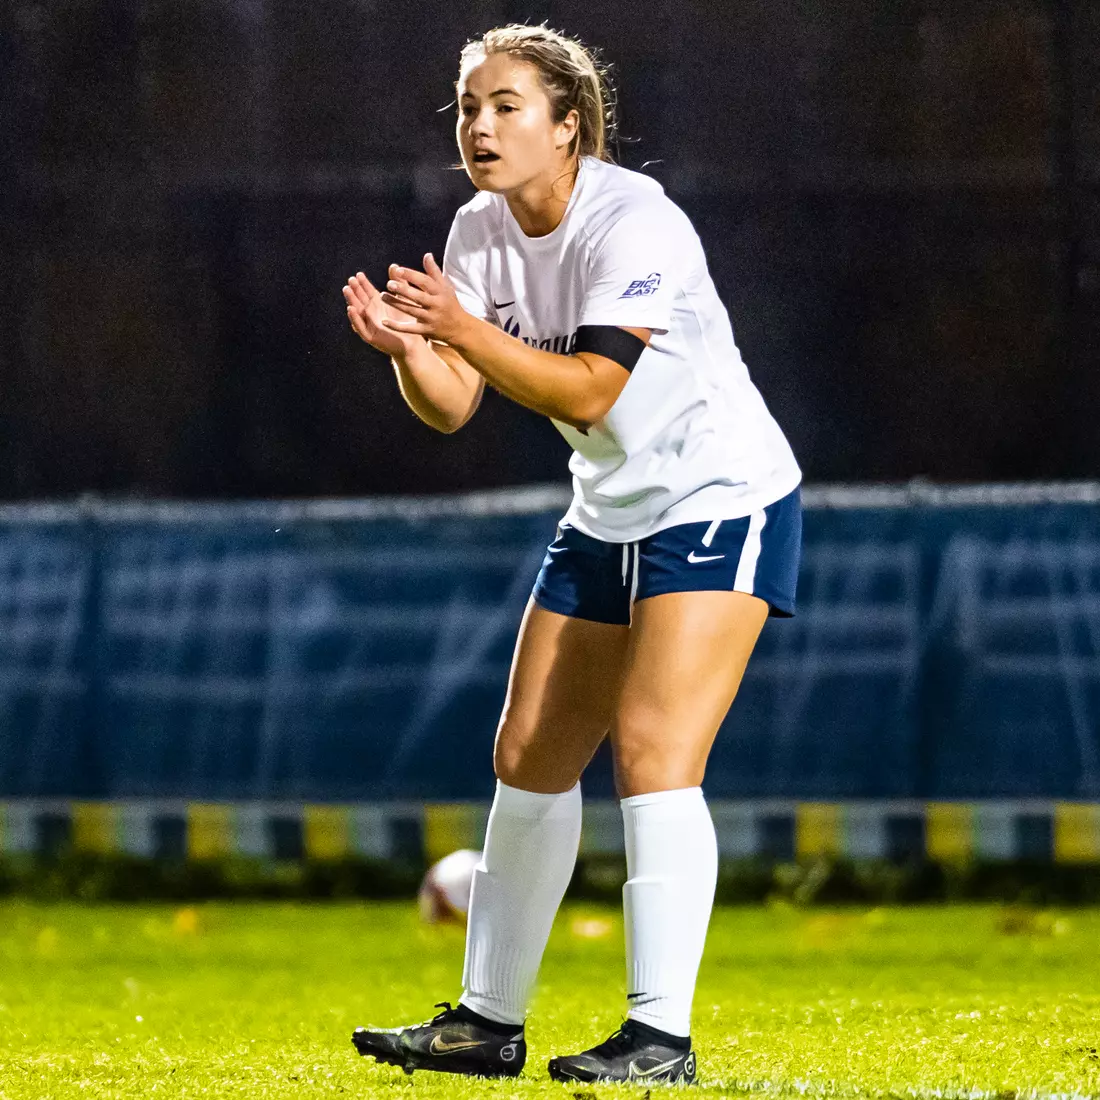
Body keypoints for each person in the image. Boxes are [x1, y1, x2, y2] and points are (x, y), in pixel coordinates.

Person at [342, 23, 801, 1086]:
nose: (480, 126)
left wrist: (462, 325)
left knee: (650, 749)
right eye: (468, 106)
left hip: (718, 493)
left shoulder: (630, 220)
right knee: (526, 755)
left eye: (506, 105)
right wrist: (418, 349)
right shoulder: (477, 228)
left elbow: (592, 389)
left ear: (568, 125)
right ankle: (484, 1022)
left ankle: (659, 1037)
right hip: (608, 507)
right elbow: (453, 407)